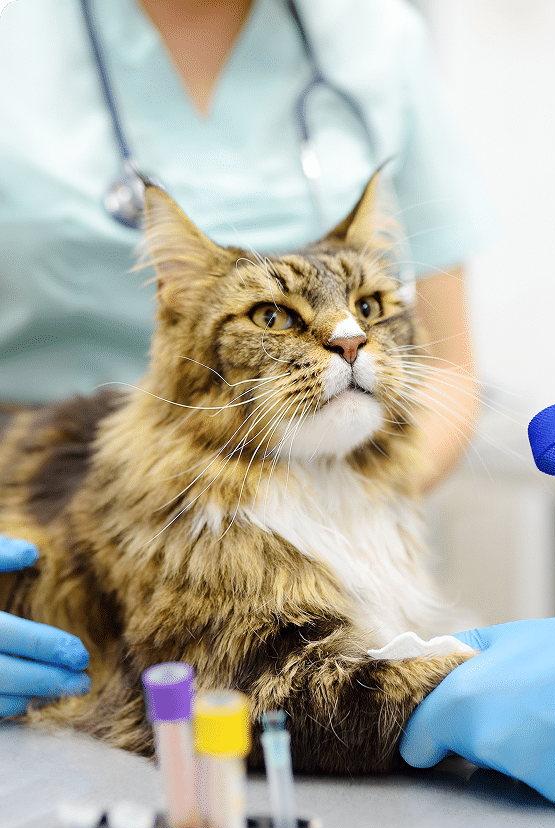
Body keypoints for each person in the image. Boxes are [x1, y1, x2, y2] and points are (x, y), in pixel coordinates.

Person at [0, 4, 490, 736]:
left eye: (365, 306)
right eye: (274, 316)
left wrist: (331, 509)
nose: (346, 336)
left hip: (343, 471)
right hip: (111, 468)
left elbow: (446, 369)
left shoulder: (377, 34)